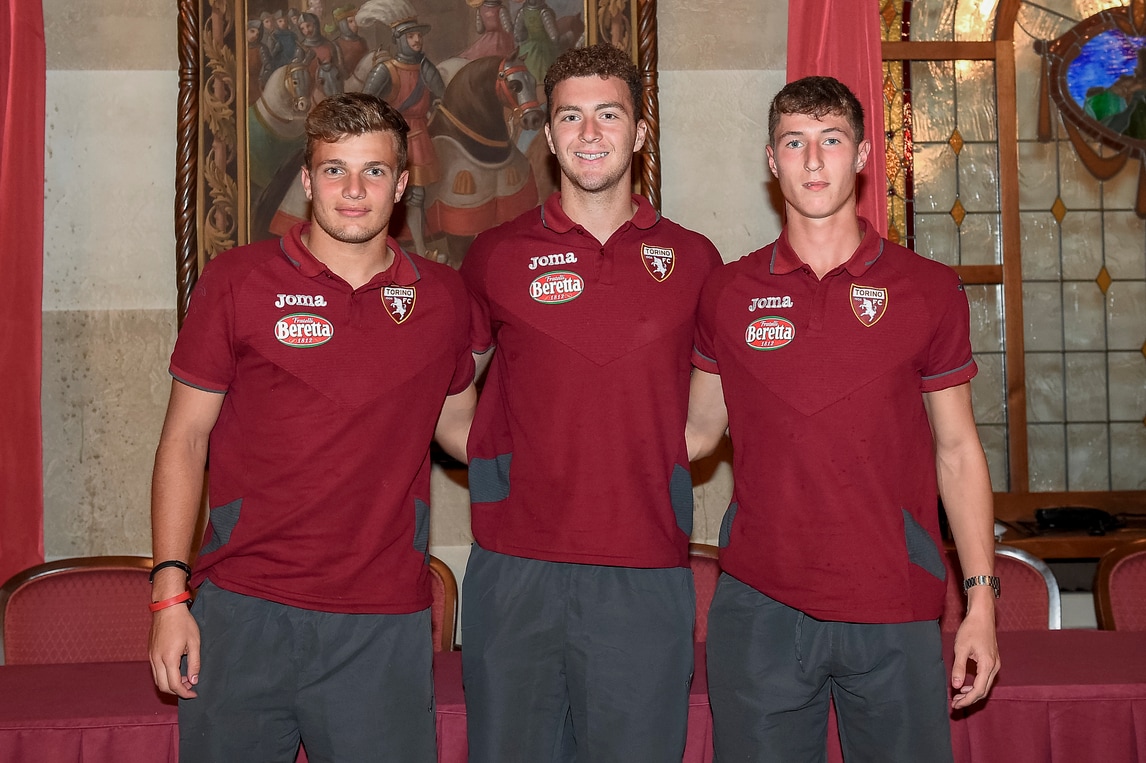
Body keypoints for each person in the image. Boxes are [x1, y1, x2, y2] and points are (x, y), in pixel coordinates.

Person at [148, 92, 476, 762]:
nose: (354, 190)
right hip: (243, 609)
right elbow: (184, 440)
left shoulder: (444, 298)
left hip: (382, 622)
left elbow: (465, 431)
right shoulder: (237, 280)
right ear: (306, 179)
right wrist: (169, 595)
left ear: (402, 184)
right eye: (335, 170)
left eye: (374, 170)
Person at [685, 75, 1000, 761]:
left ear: (861, 155)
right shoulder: (727, 291)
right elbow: (697, 433)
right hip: (761, 603)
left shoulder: (928, 290)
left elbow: (957, 451)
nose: (812, 160)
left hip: (892, 598)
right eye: (794, 142)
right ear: (771, 160)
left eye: (831, 140)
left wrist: (981, 601)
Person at [458, 43, 722, 763]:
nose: (589, 133)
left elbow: (709, 420)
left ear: (639, 132)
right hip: (515, 570)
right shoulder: (495, 254)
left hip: (644, 567)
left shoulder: (696, 261)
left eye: (609, 114)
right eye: (570, 117)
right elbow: (447, 395)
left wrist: (647, 460)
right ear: (548, 136)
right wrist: (496, 459)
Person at [361, 16, 446, 257]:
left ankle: (419, 249)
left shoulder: (427, 68)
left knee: (417, 195)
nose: (417, 40)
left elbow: (442, 96)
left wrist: (436, 104)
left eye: (419, 35)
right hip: (391, 136)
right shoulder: (385, 70)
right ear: (399, 40)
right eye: (411, 36)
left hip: (419, 136)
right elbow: (364, 104)